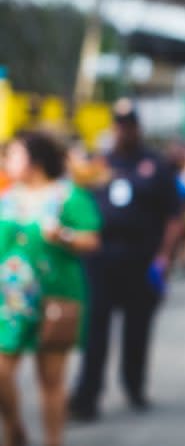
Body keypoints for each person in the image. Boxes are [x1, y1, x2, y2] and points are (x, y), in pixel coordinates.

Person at [69, 99, 182, 421]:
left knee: (137, 330)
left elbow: (174, 216)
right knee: (95, 332)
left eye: (129, 124)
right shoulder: (98, 163)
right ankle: (86, 396)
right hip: (101, 259)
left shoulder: (155, 164)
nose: (123, 130)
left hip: (140, 259)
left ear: (137, 127)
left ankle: (134, 386)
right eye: (119, 124)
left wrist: (164, 256)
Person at [0, 132, 100, 446]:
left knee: (51, 381)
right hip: (9, 302)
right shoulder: (6, 197)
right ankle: (15, 428)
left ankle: (53, 441)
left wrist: (64, 236)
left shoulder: (67, 196)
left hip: (56, 298)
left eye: (13, 155)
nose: (6, 162)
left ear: (36, 160)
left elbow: (91, 240)